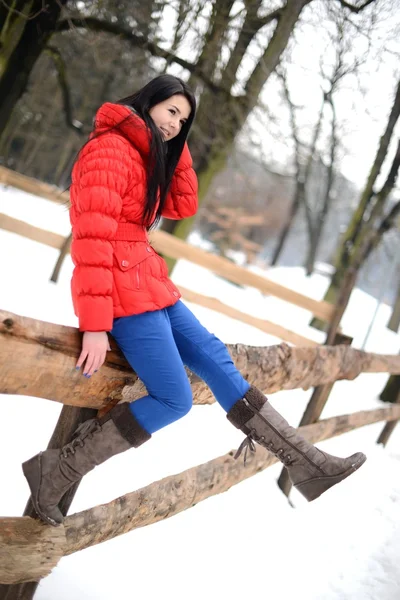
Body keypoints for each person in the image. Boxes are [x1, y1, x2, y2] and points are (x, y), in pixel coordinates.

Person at [22, 75, 366, 527]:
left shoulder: (148, 154)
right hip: (126, 295)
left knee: (215, 358)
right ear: (149, 102)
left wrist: (172, 140)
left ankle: (305, 462)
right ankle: (57, 469)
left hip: (151, 283)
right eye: (170, 112)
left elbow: (183, 202)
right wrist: (94, 323)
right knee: (173, 399)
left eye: (183, 120)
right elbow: (91, 240)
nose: (174, 124)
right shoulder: (108, 150)